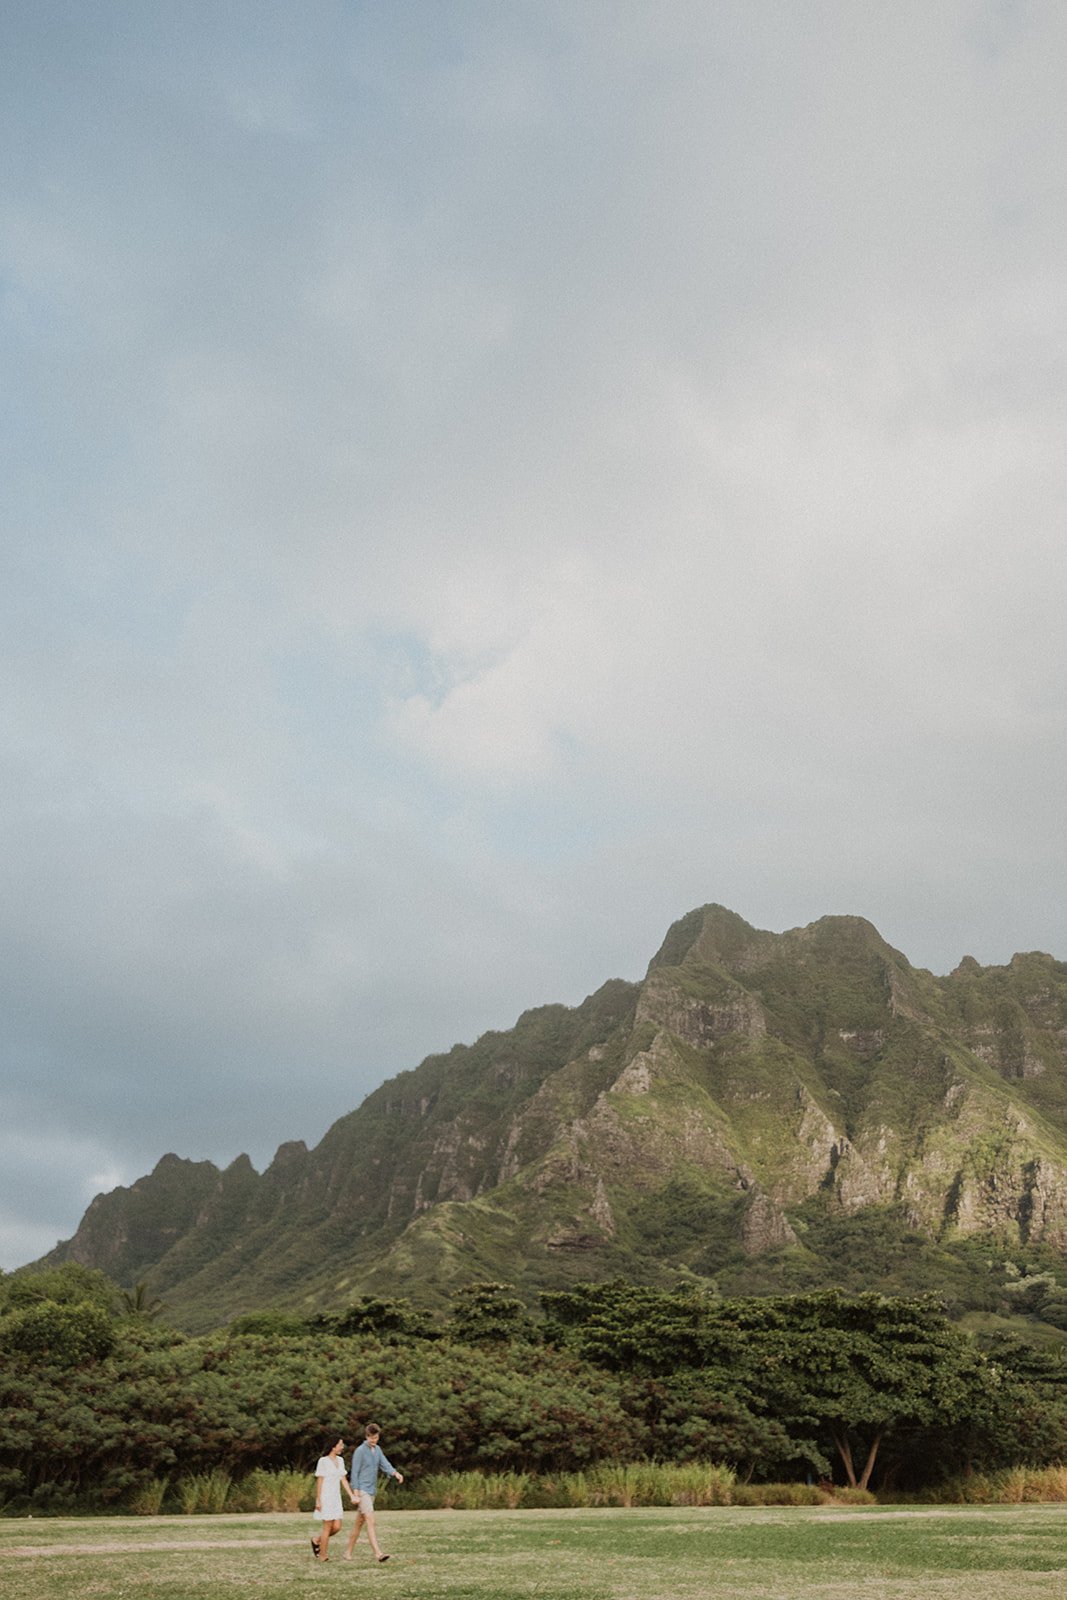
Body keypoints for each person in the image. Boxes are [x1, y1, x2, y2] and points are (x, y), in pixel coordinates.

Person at [344, 1422, 404, 1563]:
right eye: (371, 1438)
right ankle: (378, 1553)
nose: (374, 1440)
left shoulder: (377, 1450)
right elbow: (355, 1472)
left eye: (376, 1438)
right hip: (362, 1490)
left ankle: (347, 1552)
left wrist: (395, 1473)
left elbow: (385, 1464)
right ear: (366, 1436)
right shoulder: (360, 1451)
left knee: (359, 1522)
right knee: (370, 1520)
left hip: (372, 1490)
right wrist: (356, 1491)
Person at [311, 1436, 352, 1562]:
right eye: (340, 1444)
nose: (342, 1447)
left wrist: (351, 1495)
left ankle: (317, 1540)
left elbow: (343, 1479)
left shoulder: (340, 1460)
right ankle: (323, 1555)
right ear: (333, 1446)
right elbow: (320, 1481)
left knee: (337, 1527)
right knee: (327, 1527)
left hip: (336, 1498)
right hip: (325, 1497)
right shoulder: (323, 1461)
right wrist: (318, 1500)